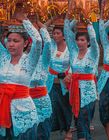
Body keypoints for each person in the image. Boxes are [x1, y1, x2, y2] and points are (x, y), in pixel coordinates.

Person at [0, 12, 42, 140]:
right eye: (9, 40)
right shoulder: (3, 57)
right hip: (3, 108)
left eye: (16, 41)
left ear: (25, 44)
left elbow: (38, 41)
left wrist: (25, 21)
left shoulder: (29, 61)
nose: (11, 44)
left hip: (24, 113)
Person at [64, 13, 99, 139]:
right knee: (78, 120)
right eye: (78, 40)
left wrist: (89, 23)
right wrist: (74, 19)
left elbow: (95, 40)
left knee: (84, 120)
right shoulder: (73, 52)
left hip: (88, 93)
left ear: (88, 42)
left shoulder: (93, 53)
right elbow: (67, 33)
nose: (79, 42)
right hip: (75, 90)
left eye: (82, 40)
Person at [46, 18, 73, 140]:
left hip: (64, 83)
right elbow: (43, 30)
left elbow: (74, 64)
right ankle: (54, 128)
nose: (55, 35)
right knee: (52, 106)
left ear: (64, 35)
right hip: (51, 82)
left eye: (58, 33)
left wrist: (69, 74)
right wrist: (51, 20)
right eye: (54, 33)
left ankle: (68, 130)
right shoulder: (51, 45)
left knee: (65, 107)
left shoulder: (70, 48)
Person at [29, 20, 52, 139]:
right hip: (24, 103)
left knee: (43, 134)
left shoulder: (44, 59)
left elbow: (48, 43)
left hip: (42, 102)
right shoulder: (20, 59)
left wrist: (43, 29)